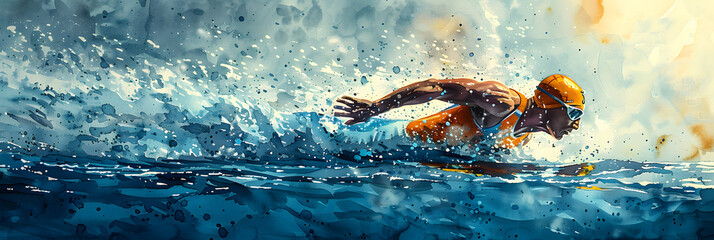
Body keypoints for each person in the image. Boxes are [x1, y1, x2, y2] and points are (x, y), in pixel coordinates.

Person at [333, 74, 585, 149]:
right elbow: (436, 88)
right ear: (550, 104)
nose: (575, 125)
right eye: (574, 114)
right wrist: (376, 107)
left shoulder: (523, 137)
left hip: (406, 159)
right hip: (384, 139)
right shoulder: (502, 102)